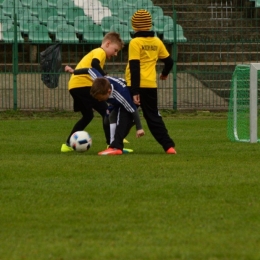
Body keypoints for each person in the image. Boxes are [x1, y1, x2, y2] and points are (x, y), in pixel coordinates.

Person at [61, 32, 124, 152]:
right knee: (107, 113)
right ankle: (112, 145)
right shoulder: (100, 52)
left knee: (88, 116)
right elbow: (94, 64)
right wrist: (104, 77)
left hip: (74, 86)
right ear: (107, 43)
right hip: (83, 85)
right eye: (115, 50)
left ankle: (67, 145)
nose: (115, 54)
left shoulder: (97, 53)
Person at [125, 9, 177, 154]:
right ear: (149, 25)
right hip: (150, 85)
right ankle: (168, 146)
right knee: (153, 116)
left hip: (134, 84)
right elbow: (169, 61)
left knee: (126, 113)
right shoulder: (156, 41)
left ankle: (115, 143)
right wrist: (165, 74)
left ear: (134, 26)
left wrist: (135, 90)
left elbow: (135, 67)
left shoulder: (135, 42)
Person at [69, 67, 145, 155]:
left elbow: (133, 109)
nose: (99, 100)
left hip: (128, 101)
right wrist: (74, 71)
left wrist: (139, 128)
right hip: (115, 102)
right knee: (106, 120)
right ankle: (113, 146)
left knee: (120, 122)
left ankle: (114, 146)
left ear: (108, 92)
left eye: (100, 98)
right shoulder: (99, 80)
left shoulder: (121, 95)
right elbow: (90, 70)